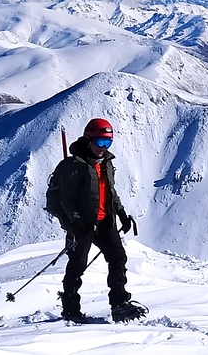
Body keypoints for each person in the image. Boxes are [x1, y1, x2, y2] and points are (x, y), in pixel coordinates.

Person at [52, 118, 147, 323]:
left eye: (108, 143)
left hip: (105, 222)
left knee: (118, 258)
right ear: (88, 140)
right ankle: (71, 309)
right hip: (83, 225)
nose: (103, 148)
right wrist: (76, 223)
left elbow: (110, 192)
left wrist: (121, 213)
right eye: (100, 143)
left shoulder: (106, 163)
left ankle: (119, 304)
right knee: (77, 266)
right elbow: (65, 200)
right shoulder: (73, 166)